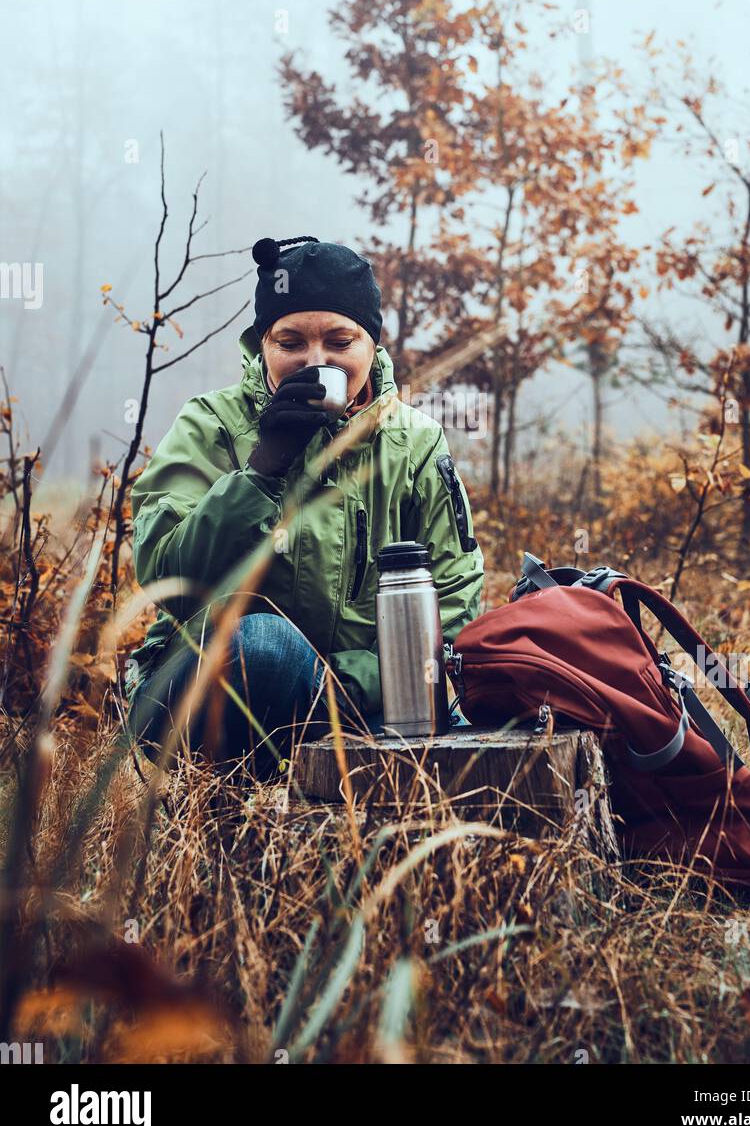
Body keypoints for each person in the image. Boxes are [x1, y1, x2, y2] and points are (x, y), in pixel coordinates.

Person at [124, 234, 484, 776]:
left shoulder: (413, 443)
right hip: (207, 696)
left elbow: (453, 606)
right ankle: (235, 819)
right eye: (290, 341)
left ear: (371, 345)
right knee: (262, 644)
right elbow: (167, 578)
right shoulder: (211, 424)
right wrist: (263, 470)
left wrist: (340, 681)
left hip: (359, 702)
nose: (316, 361)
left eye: (340, 341)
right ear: (262, 345)